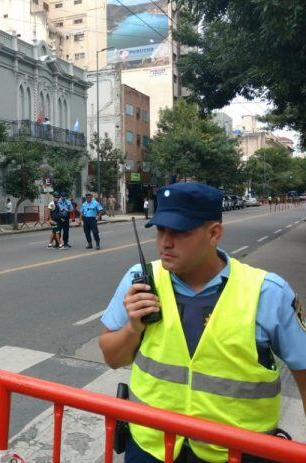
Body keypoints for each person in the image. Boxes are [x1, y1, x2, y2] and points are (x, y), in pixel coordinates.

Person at [99, 183, 306, 463]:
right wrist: (133, 328)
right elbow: (112, 357)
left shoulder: (267, 292)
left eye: (180, 232)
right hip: (151, 448)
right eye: (160, 230)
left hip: (237, 453)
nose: (165, 243)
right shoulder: (141, 279)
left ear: (214, 234)